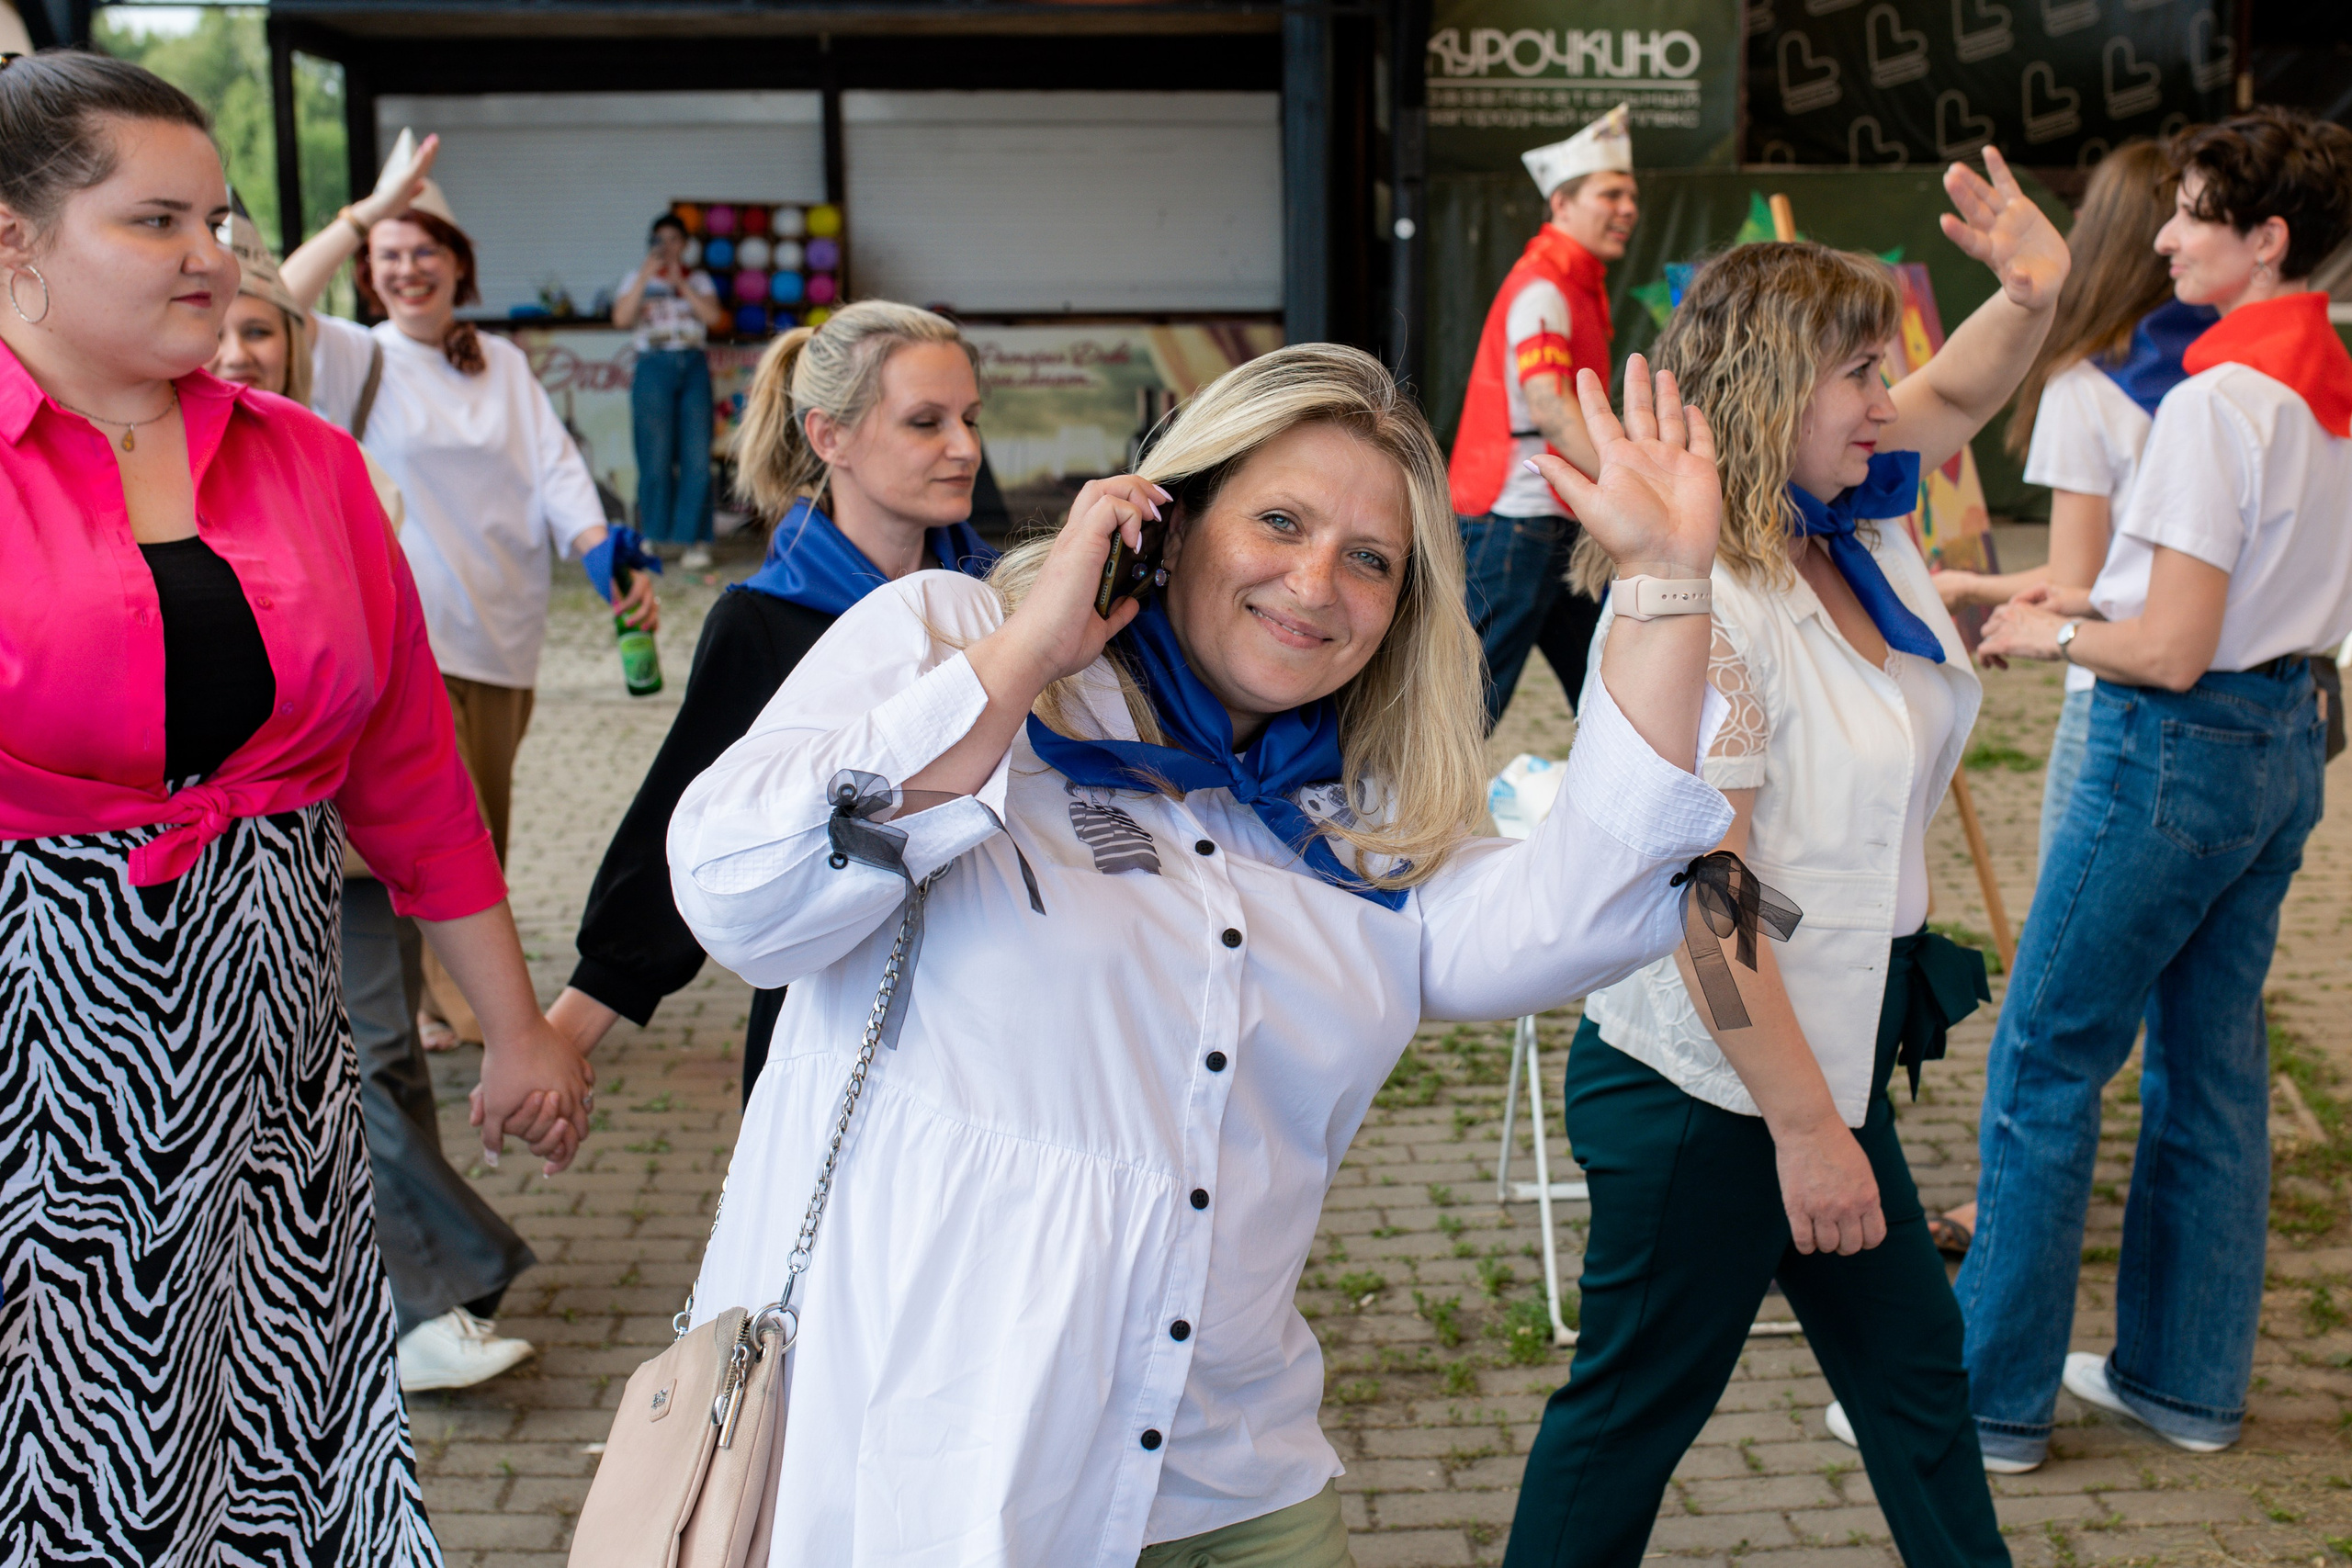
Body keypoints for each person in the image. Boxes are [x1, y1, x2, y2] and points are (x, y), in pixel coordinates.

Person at [664, 341, 1734, 1562]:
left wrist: (1662, 582)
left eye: (1370, 558)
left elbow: (1583, 905)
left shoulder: (1355, 816)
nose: (1316, 581)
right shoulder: (949, 636)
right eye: (1278, 520)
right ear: (1171, 519)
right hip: (948, 1478)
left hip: (1235, 1474)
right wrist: (1025, 660)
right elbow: (739, 892)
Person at [0, 51, 588, 1560]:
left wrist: (513, 1025)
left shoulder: (308, 463)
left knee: (280, 1413)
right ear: (15, 240)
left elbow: (406, 771)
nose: (214, 255)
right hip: (38, 1049)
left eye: (221, 217)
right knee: (70, 1441)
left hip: (270, 1022)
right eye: (155, 222)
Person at [1505, 145, 2074, 1568]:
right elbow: (1712, 901)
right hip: (1713, 1085)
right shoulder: (1712, 601)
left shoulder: (1858, 519)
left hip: (1828, 1050)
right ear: (1771, 389)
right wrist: (1810, 1132)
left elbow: (1960, 396)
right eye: (1861, 373)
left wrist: (2034, 287)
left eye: (1888, 370)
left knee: (1918, 1384)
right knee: (1633, 1412)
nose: (1894, 399)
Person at [1968, 107, 2352, 1470]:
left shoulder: (2215, 399)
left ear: (2267, 239)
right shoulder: (2322, 383)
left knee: (2045, 1058)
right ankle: (2182, 1382)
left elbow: (2168, 646)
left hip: (2170, 750)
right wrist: (2040, 595)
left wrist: (2041, 633)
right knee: (2214, 1065)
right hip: (2283, 741)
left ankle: (1990, 1402)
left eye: (2194, 213)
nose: (2166, 236)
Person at [207, 202, 544, 1393]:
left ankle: (398, 1275)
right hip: (239, 844)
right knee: (346, 1060)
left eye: (262, 331)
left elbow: (386, 706)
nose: (239, 349)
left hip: (360, 829)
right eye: (221, 329)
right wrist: (356, 217)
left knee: (386, 1050)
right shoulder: (161, 474)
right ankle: (433, 1282)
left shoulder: (328, 468)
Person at [548, 300, 997, 1105]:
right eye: (926, 422)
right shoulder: (764, 622)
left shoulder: (1005, 606)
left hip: (990, 1017)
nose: (965, 447)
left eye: (969, 417)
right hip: (826, 1031)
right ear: (830, 437)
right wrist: (560, 1037)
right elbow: (680, 840)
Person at [277, 130, 659, 1051]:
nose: (408, 271)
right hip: (405, 632)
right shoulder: (346, 356)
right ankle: (446, 1004)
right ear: (369, 274)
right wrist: (361, 213)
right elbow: (275, 297)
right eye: (389, 257)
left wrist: (608, 558)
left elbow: (559, 476)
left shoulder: (501, 363)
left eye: (425, 253)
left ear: (457, 265)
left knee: (488, 813)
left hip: (505, 628)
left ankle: (421, 991)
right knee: (444, 822)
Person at [1917, 140, 2212, 1262]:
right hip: (2255, 714)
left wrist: (1976, 594)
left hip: (2125, 701)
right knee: (2196, 1027)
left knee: (2051, 1021)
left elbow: (2095, 584)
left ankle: (2005, 1262)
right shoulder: (2240, 370)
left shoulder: (2092, 384)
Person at [1450, 103, 1638, 729]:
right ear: (1561, 203)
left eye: (1631, 195)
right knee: (1460, 708)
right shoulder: (1544, 287)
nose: (1627, 208)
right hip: (1517, 517)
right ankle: (1383, 819)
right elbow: (1552, 411)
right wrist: (1630, 483)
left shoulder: (1574, 284)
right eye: (1610, 193)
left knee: (1611, 689)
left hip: (1554, 517)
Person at [613, 211, 724, 570]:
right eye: (659, 241)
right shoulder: (636, 277)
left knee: (695, 457)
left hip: (692, 365)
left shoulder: (699, 279)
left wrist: (682, 283)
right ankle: (654, 538)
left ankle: (694, 541)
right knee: (654, 456)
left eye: (674, 240)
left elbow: (712, 317)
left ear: (685, 245)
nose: (667, 247)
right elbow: (620, 318)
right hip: (653, 365)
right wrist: (647, 275)